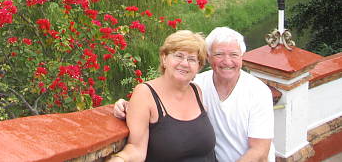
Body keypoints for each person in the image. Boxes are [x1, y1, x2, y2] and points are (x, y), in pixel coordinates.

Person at [114, 27, 274, 162]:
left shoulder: (257, 92)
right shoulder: (198, 83)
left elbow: (259, 152)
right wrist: (128, 105)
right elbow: (155, 96)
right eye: (219, 54)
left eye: (234, 55)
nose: (227, 61)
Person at [106, 30, 217, 162]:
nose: (185, 63)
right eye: (179, 56)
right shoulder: (145, 94)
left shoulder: (197, 91)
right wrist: (119, 159)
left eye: (192, 59)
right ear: (164, 59)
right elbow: (136, 148)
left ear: (198, 67)